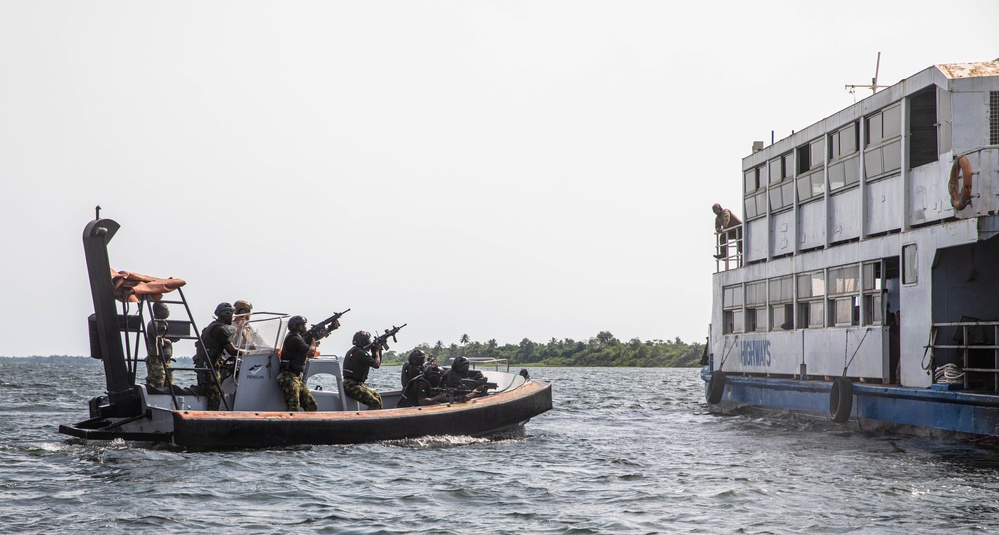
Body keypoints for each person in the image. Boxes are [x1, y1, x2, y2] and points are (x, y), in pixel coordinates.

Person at [195, 302, 240, 410]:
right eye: (231, 315)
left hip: (204, 367)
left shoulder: (211, 326)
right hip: (210, 369)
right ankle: (211, 422)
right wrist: (248, 351)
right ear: (227, 314)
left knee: (210, 396)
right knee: (215, 399)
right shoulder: (220, 330)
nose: (232, 317)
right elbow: (232, 351)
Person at [276, 315, 318, 411]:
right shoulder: (294, 338)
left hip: (295, 377)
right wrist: (314, 342)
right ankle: (288, 425)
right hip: (288, 376)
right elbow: (311, 353)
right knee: (293, 407)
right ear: (297, 326)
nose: (305, 327)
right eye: (303, 325)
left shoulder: (297, 338)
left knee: (311, 405)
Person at [342, 330, 383, 409]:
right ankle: (371, 421)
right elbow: (376, 364)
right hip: (352, 386)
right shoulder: (361, 353)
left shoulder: (353, 351)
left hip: (352, 384)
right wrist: (377, 350)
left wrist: (376, 351)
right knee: (375, 403)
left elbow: (373, 361)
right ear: (364, 342)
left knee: (377, 396)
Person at [145, 302, 179, 388]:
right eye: (165, 309)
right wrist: (169, 340)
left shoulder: (164, 323)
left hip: (166, 361)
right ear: (158, 311)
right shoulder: (153, 323)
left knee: (169, 386)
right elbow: (159, 338)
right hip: (157, 360)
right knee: (157, 384)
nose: (167, 311)